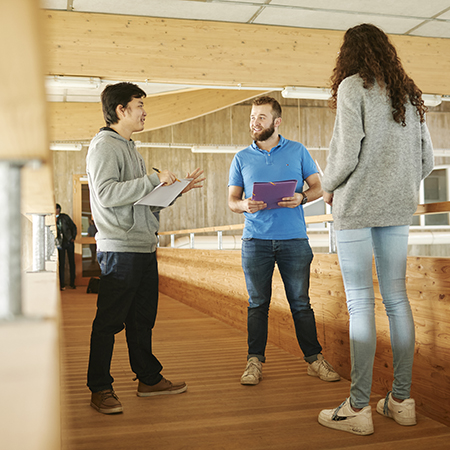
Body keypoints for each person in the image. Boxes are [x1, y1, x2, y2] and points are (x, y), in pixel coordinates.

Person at [318, 24, 434, 435]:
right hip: (397, 209)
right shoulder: (407, 92)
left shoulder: (353, 87)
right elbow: (428, 161)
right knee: (398, 301)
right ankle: (401, 400)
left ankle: (358, 407)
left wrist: (327, 186)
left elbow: (347, 151)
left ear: (349, 54)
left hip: (357, 207)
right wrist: (399, 186)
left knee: (360, 304)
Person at [86, 82, 205, 414]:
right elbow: (107, 194)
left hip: (141, 246)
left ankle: (149, 379)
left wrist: (174, 192)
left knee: (142, 320)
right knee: (109, 322)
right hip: (120, 248)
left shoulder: (130, 148)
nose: (144, 112)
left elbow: (138, 202)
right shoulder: (104, 146)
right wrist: (154, 181)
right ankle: (100, 387)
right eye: (139, 105)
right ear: (121, 110)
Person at [228, 96, 340, 386]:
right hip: (255, 241)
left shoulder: (298, 150)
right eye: (253, 117)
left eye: (261, 117)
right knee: (257, 304)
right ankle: (254, 362)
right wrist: (244, 206)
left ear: (277, 122)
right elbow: (232, 200)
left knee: (301, 303)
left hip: (294, 241)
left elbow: (319, 186)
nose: (255, 122)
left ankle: (314, 360)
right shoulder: (241, 158)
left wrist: (302, 197)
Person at [56, 203, 77, 290]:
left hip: (69, 242)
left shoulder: (65, 217)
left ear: (58, 209)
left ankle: (72, 282)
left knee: (71, 262)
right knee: (61, 263)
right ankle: (62, 284)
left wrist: (73, 237)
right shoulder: (52, 219)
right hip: (60, 244)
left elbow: (73, 227)